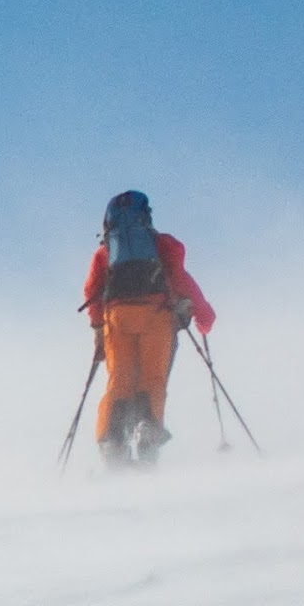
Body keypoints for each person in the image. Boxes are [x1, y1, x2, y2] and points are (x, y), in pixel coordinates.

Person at [81, 190, 216, 467]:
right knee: (152, 378)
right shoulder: (164, 245)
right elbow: (180, 279)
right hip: (156, 316)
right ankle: (147, 432)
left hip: (117, 319)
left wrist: (98, 329)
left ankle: (111, 441)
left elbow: (91, 291)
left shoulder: (105, 254)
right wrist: (204, 316)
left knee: (119, 380)